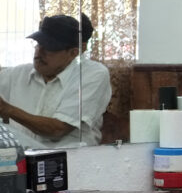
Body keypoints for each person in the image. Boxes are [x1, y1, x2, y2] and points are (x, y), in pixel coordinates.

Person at [0, 13, 111, 149]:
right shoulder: (18, 74)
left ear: (73, 53)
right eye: (38, 44)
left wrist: (7, 110)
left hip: (70, 161)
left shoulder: (92, 74)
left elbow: (57, 130)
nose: (39, 52)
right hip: (21, 161)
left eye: (49, 48)